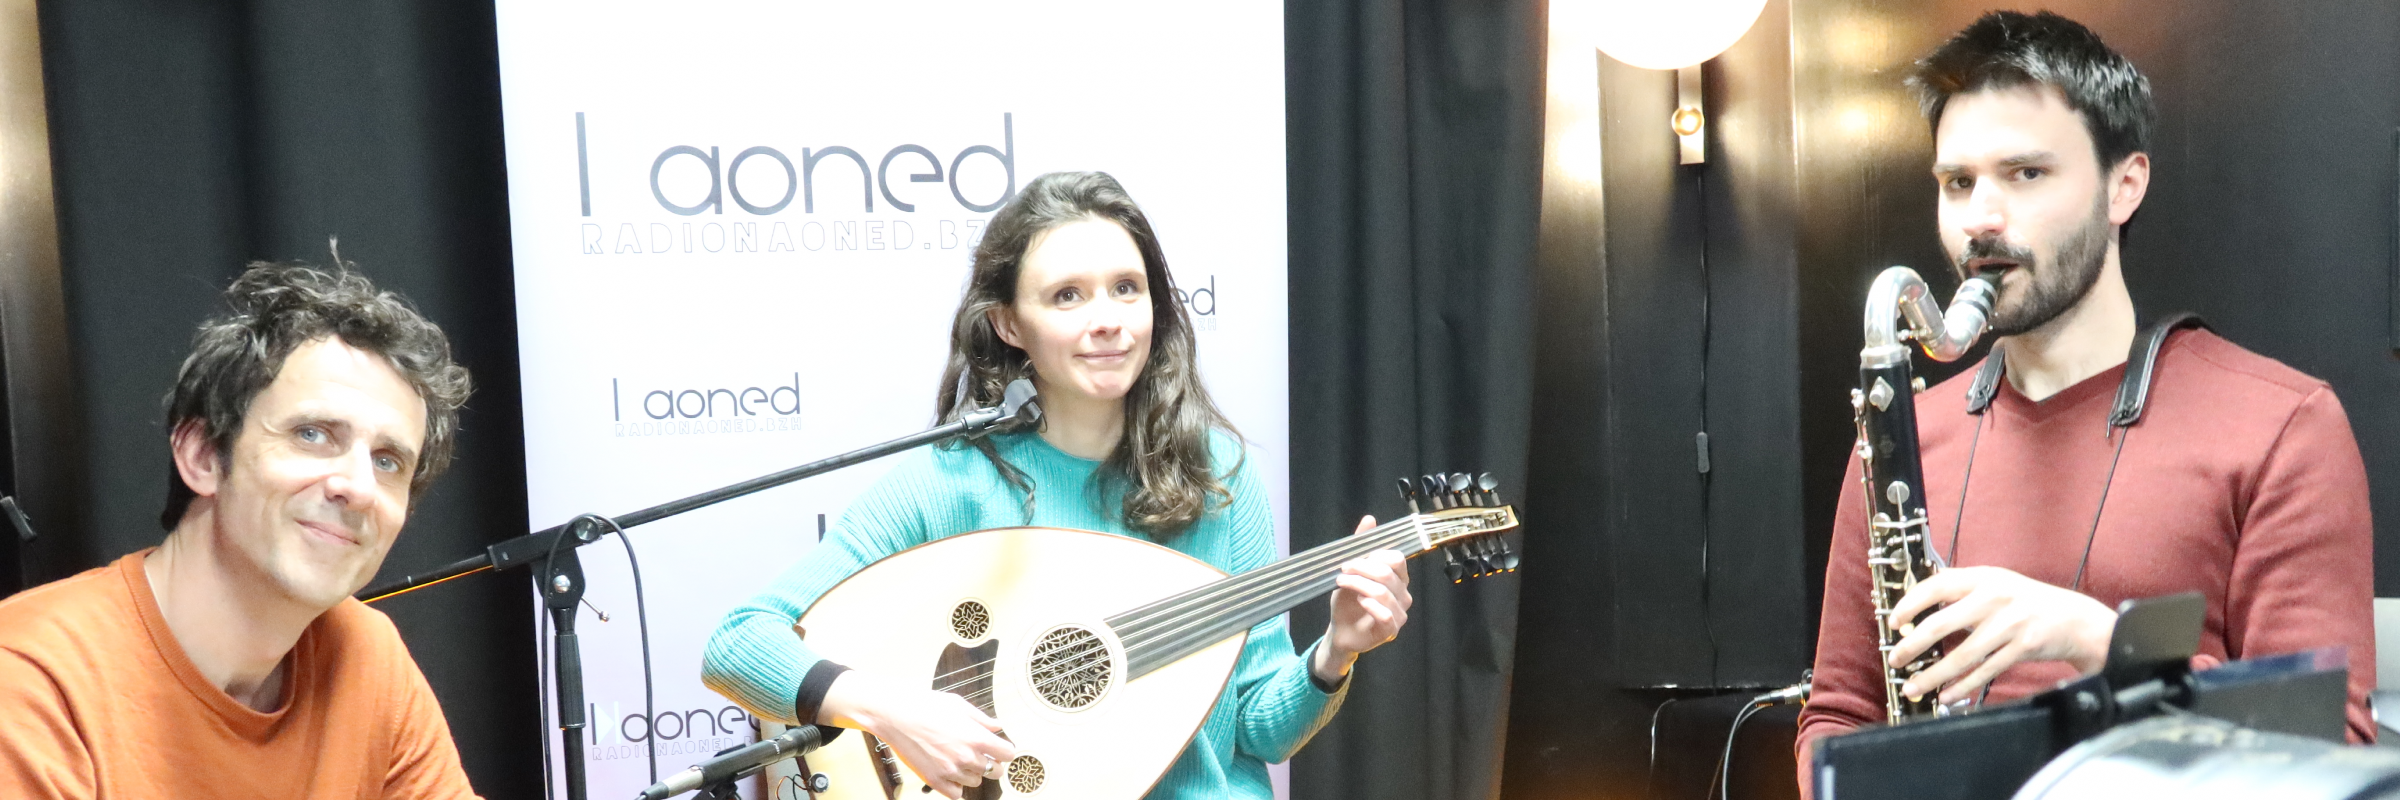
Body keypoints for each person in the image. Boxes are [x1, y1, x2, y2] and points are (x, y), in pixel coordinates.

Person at [1796, 9, 2376, 789]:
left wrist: (2096, 640)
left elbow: (2330, 753)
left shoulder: (2281, 425)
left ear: (2123, 186)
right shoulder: (1904, 437)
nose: (1981, 218)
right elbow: (1838, 715)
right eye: (1957, 182)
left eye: (2025, 174)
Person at [701, 171, 1413, 800]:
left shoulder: (1215, 476)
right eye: (1067, 296)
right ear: (1010, 323)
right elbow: (738, 644)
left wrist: (1335, 651)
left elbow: (1258, 732)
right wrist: (894, 711)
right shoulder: (951, 480)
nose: (1107, 320)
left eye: (1126, 290)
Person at [0, 260, 481, 798]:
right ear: (203, 455)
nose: (359, 487)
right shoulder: (29, 678)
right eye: (313, 434)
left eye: (389, 461)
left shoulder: (367, 655)